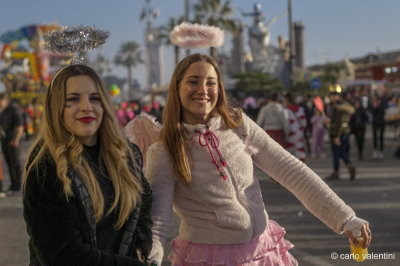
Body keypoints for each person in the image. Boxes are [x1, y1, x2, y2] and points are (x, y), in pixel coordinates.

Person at [144, 54, 371, 265]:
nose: (203, 90)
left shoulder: (237, 124)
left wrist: (345, 219)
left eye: (211, 82)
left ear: (219, 89)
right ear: (177, 88)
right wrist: (151, 259)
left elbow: (290, 170)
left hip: (264, 253)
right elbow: (158, 222)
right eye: (193, 81)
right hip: (208, 259)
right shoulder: (163, 150)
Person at [22, 64, 152, 265]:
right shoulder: (45, 167)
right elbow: (62, 255)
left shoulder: (127, 154)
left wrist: (143, 245)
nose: (86, 107)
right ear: (56, 107)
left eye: (94, 98)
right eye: (73, 99)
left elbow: (143, 204)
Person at [325, 89, 356, 181]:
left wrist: (336, 136)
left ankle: (336, 172)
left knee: (336, 154)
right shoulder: (343, 106)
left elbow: (340, 122)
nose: (332, 98)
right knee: (342, 153)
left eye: (333, 96)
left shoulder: (338, 108)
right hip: (345, 132)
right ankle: (349, 166)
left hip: (338, 133)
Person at [0, 87, 24, 195]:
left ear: (5, 100)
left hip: (14, 140)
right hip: (4, 141)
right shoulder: (2, 110)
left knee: (16, 163)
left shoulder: (13, 109)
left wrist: (16, 140)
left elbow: (19, 126)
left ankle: (19, 186)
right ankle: (13, 185)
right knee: (9, 163)